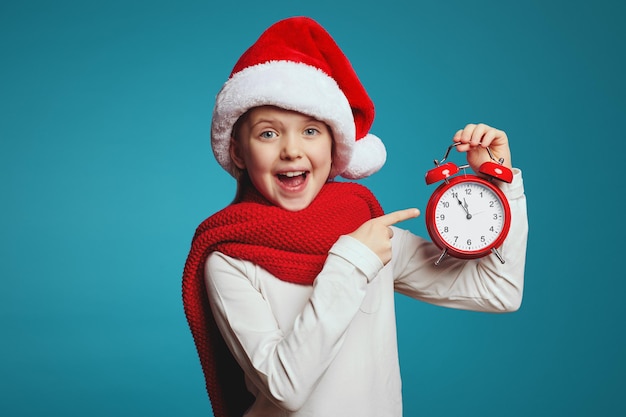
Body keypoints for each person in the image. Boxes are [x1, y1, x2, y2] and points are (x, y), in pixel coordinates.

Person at [182, 16, 528, 417]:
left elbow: (498, 291)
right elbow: (285, 388)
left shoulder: (366, 230)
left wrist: (496, 184)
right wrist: (351, 262)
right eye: (268, 133)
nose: (292, 150)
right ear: (239, 153)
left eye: (311, 131)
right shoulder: (228, 259)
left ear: (335, 149)